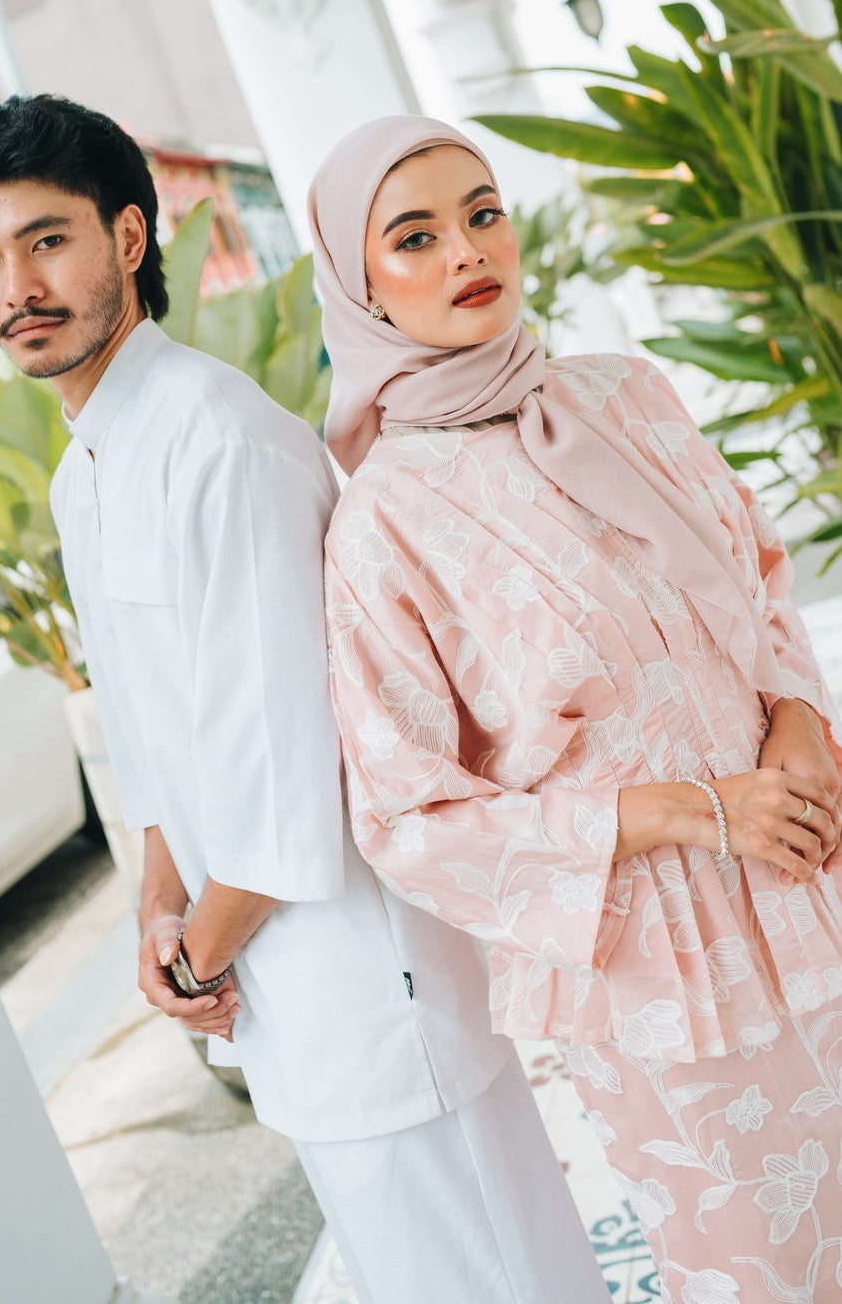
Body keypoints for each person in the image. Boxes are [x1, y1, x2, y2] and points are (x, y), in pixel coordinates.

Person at [0, 94, 609, 1304]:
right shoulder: (88, 473)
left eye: (47, 241)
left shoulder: (222, 442)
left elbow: (294, 771)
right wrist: (158, 909)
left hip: (368, 981)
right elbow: (151, 736)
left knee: (498, 1279)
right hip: (274, 986)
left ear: (129, 237)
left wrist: (193, 961)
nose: (16, 287)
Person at [311, 113, 842, 1304]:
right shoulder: (385, 525)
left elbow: (758, 577)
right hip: (662, 956)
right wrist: (690, 813)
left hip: (812, 858)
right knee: (764, 1265)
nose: (465, 251)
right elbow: (408, 817)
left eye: (482, 214)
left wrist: (800, 722)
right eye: (415, 237)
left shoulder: (630, 395)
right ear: (361, 285)